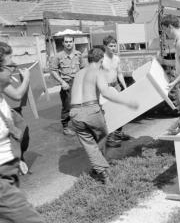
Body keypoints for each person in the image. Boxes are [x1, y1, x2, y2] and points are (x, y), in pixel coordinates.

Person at [69, 48, 139, 184]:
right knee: (102, 137)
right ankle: (102, 170)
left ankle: (100, 171)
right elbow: (106, 93)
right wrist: (127, 102)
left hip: (75, 113)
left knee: (90, 144)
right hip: (91, 110)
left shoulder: (78, 73)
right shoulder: (97, 72)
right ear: (101, 60)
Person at [0, 42, 44, 223]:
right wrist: (26, 78)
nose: (14, 69)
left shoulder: (1, 88)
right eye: (10, 66)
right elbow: (18, 95)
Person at [98, 35, 130, 148]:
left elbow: (119, 73)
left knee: (120, 110)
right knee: (110, 112)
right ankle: (110, 138)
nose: (113, 47)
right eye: (110, 46)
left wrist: (125, 87)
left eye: (114, 45)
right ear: (105, 47)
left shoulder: (116, 58)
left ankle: (118, 133)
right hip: (106, 88)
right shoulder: (101, 59)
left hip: (116, 86)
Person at [49, 36, 84, 136]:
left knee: (79, 104)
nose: (68, 43)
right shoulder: (58, 56)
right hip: (67, 84)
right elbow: (53, 70)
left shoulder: (78, 54)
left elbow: (82, 68)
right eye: (66, 42)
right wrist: (62, 82)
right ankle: (65, 127)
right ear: (63, 43)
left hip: (78, 83)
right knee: (67, 106)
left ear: (73, 42)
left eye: (70, 41)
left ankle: (79, 124)